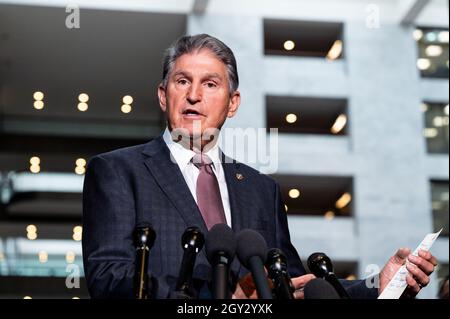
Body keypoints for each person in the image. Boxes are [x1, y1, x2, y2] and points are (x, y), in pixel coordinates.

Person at [82, 34, 437, 299]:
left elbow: (293, 285)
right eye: (182, 81)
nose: (194, 95)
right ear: (163, 95)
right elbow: (108, 280)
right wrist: (222, 297)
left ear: (232, 103)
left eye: (210, 83)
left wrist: (377, 286)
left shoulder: (260, 190)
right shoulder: (117, 172)